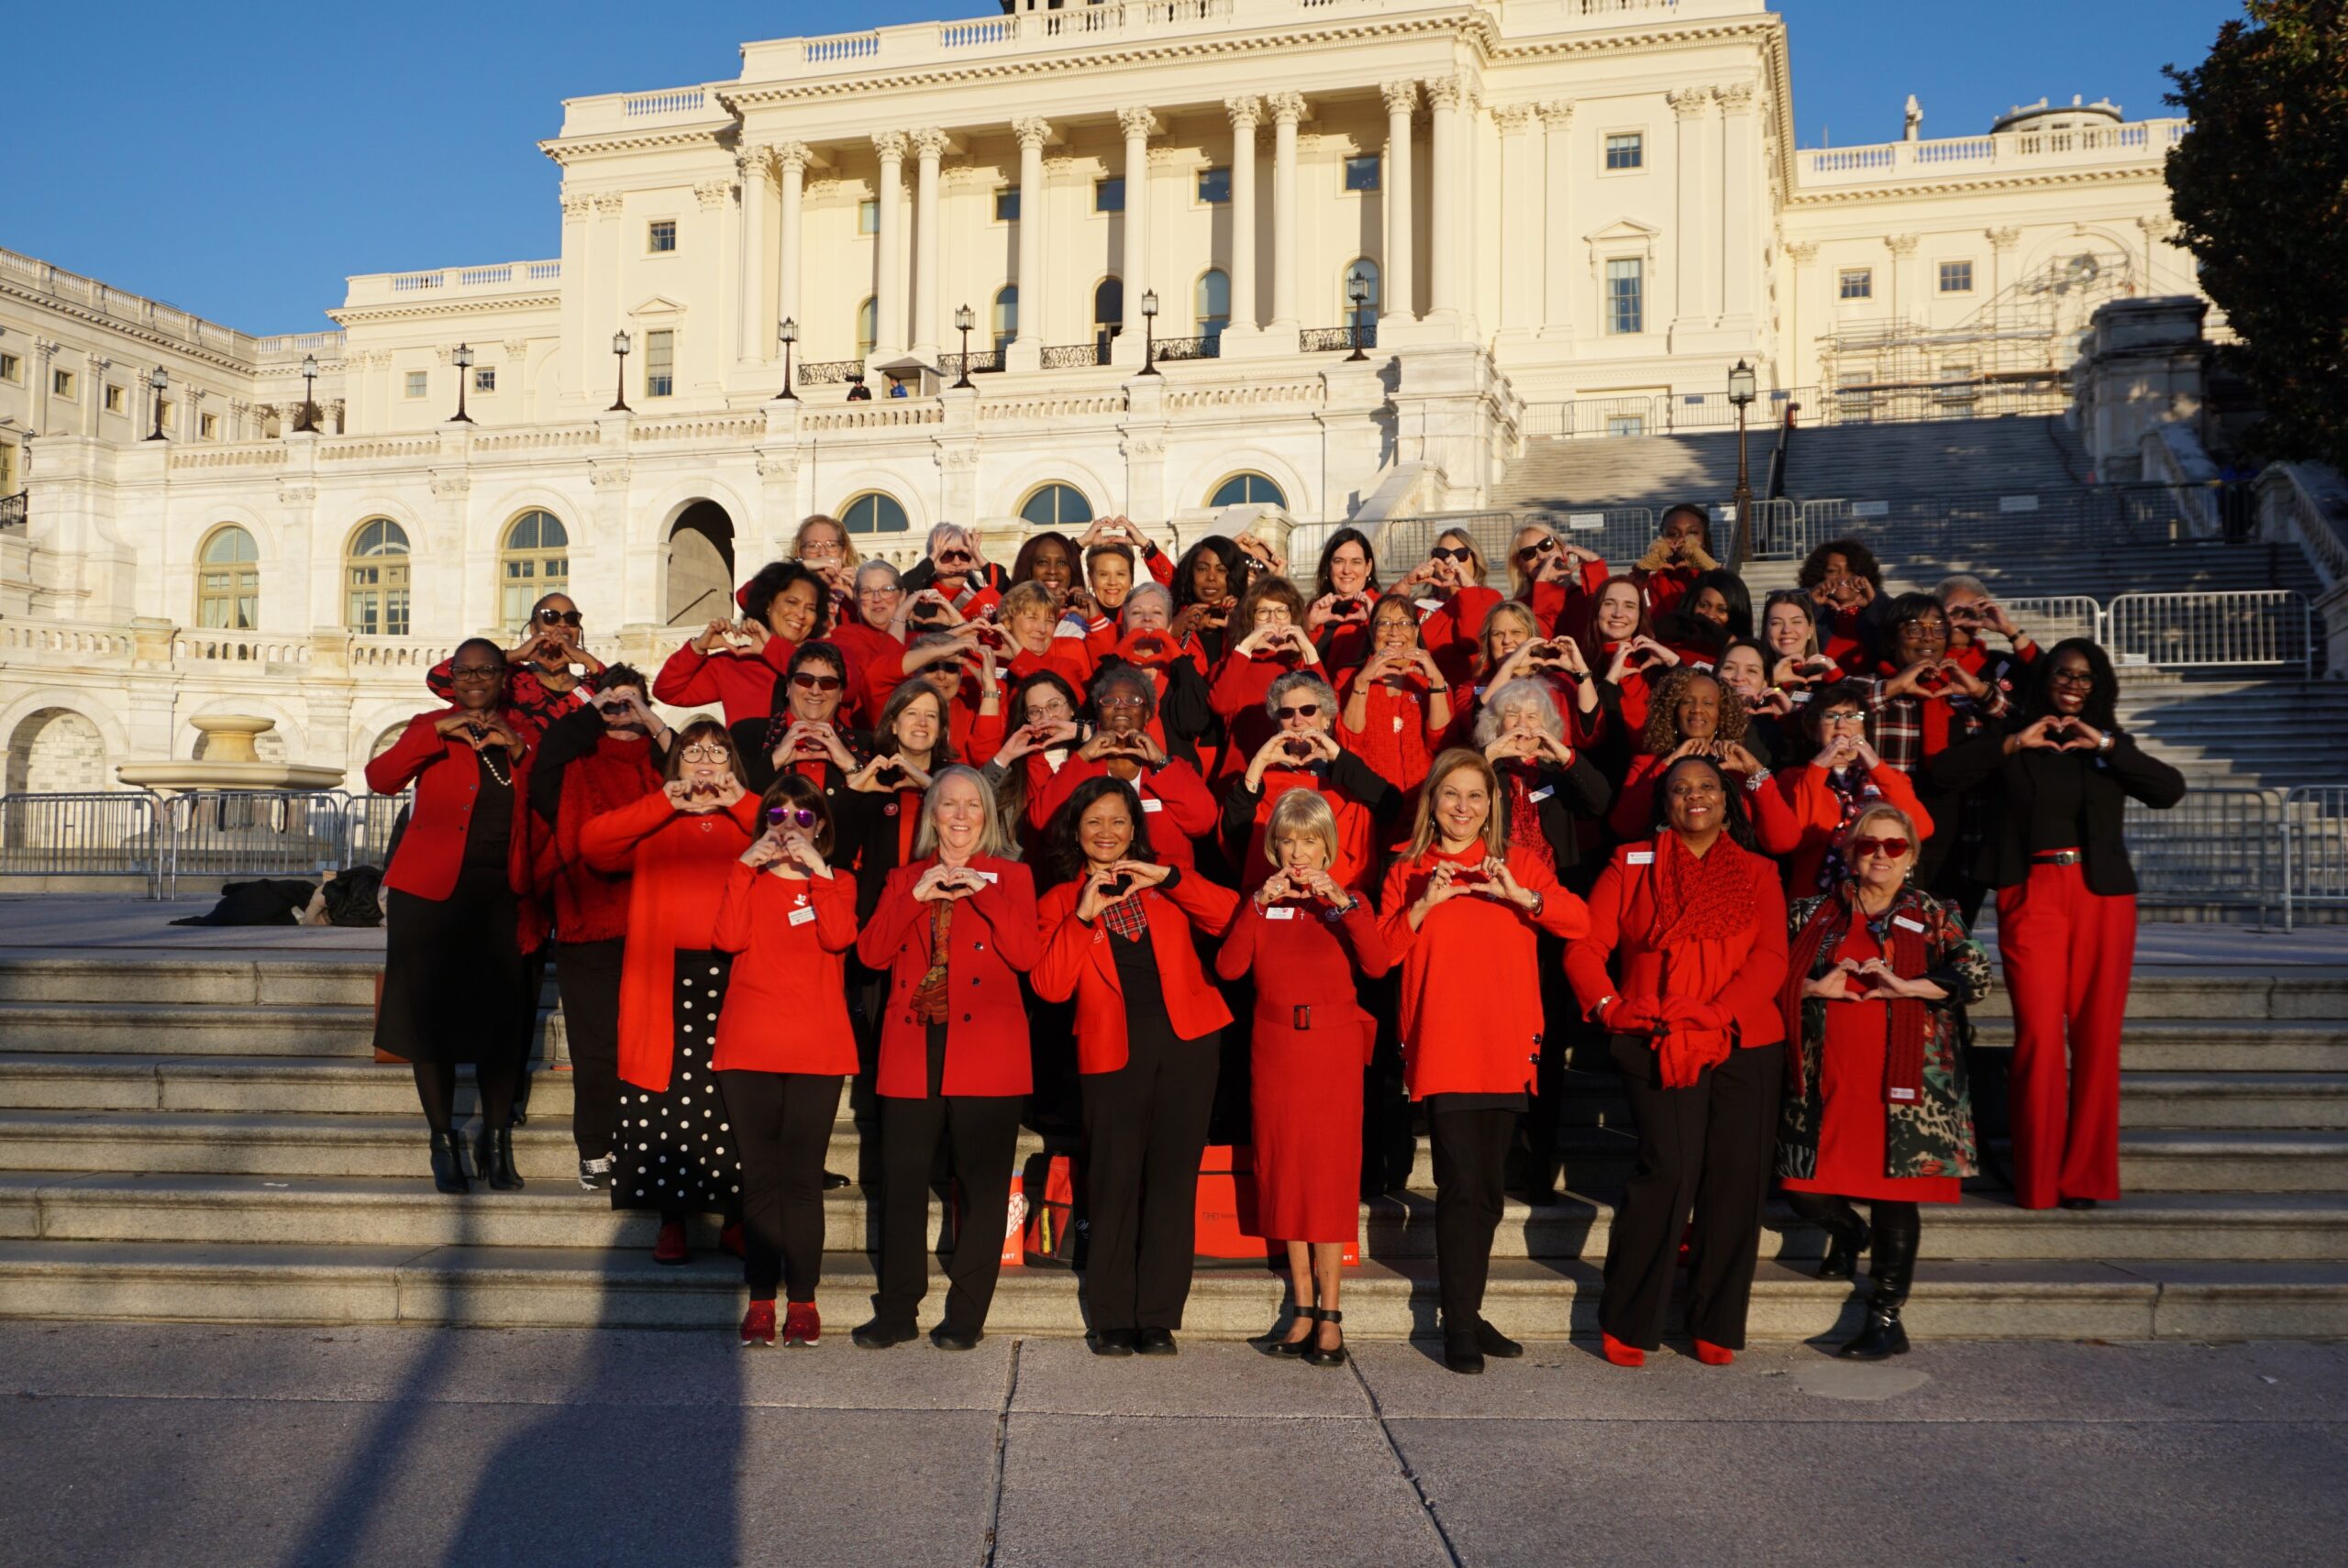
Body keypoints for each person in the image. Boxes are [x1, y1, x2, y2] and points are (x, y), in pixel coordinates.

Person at [1923, 639, 2186, 1212]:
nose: (2073, 683)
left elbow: (2169, 790)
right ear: (2045, 680)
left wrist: (2108, 745)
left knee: (2096, 1039)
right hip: (2033, 894)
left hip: (2103, 900)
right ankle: (2038, 1179)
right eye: (2063, 674)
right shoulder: (2015, 741)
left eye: (2086, 678)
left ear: (2100, 687)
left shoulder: (2108, 747)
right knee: (2040, 1038)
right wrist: (2014, 742)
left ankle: (2086, 1178)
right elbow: (1941, 775)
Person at [1567, 756, 1789, 1368]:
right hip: (1656, 1034)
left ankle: (1716, 1321)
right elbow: (1587, 946)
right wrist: (1610, 1007)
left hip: (1743, 1036)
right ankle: (1630, 1318)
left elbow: (1772, 957)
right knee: (1668, 1172)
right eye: (1681, 788)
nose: (1695, 797)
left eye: (1708, 787)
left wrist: (1719, 1014)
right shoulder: (1631, 861)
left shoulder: (1758, 870)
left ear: (1727, 800)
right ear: (1663, 801)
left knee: (1736, 1181)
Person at [1379, 748, 1589, 1374]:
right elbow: (1380, 955)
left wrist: (1521, 895)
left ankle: (1465, 1310)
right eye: (1451, 795)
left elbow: (1578, 922)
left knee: (1490, 1192)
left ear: (1493, 804)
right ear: (1433, 802)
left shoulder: (1520, 861)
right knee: (1461, 1188)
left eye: (1475, 796)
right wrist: (1423, 905)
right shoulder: (1408, 866)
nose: (1463, 807)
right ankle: (1458, 1328)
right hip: (1444, 1045)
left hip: (1505, 1043)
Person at [1034, 777, 1240, 1355]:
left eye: (1119, 821)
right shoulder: (1059, 900)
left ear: (1135, 829)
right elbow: (1050, 988)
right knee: (1113, 1181)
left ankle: (1158, 1316)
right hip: (1111, 1052)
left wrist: (1170, 877)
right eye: (1095, 821)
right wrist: (1081, 915)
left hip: (1188, 1044)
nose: (1107, 833)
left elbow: (1231, 920)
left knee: (1174, 1182)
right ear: (1077, 830)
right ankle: (1111, 1315)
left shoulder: (1165, 881)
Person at [1778, 805, 1991, 1359]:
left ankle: (1887, 1316)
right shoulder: (1810, 912)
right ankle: (1851, 1234)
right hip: (1825, 1080)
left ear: (1912, 858)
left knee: (1896, 1201)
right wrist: (1808, 989)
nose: (1880, 854)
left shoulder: (1937, 913)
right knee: (1804, 1192)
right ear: (1850, 853)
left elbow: (1976, 974)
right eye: (1869, 844)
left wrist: (1909, 984)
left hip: (1908, 1087)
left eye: (1894, 847)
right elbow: (1766, 977)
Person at [853, 767, 1040, 1350]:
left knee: (982, 1187)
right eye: (947, 805)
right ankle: (898, 1308)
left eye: (972, 806)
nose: (960, 816)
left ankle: (966, 1313)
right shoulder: (904, 877)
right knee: (903, 1183)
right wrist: (916, 896)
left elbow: (1026, 953)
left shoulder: (1012, 875)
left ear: (989, 816)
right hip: (913, 1044)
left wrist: (982, 891)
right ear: (931, 816)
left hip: (987, 1049)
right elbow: (872, 953)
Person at [1216, 788, 1394, 1367]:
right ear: (1273, 846)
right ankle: (1299, 1309)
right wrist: (1254, 906)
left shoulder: (1347, 903)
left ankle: (1332, 1316)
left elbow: (1377, 964)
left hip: (1332, 1050)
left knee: (1329, 1175)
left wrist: (1340, 901)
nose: (1298, 852)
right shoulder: (1260, 903)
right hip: (1275, 1051)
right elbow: (1229, 967)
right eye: (1288, 839)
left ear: (1328, 846)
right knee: (1285, 1170)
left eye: (1310, 840)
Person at [580, 719, 759, 1264]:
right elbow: (593, 845)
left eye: (718, 752)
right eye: (692, 752)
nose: (705, 761)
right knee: (665, 1101)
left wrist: (742, 801)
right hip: (666, 978)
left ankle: (736, 1219)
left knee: (735, 1099)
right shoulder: (655, 819)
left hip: (736, 975)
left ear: (733, 764)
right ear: (674, 764)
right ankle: (671, 1222)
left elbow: (802, 837)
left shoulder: (751, 818)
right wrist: (665, 802)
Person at [369, 637, 539, 1193]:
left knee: (500, 1020)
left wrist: (515, 747)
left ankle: (495, 1138)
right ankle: (442, 1139)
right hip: (429, 894)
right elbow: (380, 778)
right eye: (463, 672)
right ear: (451, 678)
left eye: (486, 670)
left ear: (503, 677)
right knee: (430, 1017)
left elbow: (553, 801)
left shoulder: (527, 732)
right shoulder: (428, 726)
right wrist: (434, 732)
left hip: (501, 893)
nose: (473, 680)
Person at [713, 774, 859, 1348]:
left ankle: (803, 1298)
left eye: (804, 818)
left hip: (817, 1046)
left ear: (820, 825)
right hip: (748, 1045)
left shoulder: (837, 881)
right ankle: (759, 1298)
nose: (790, 829)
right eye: (779, 817)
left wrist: (818, 876)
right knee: (759, 1179)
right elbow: (726, 939)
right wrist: (746, 867)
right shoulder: (745, 877)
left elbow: (839, 937)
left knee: (800, 1180)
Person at [528, 664, 670, 1189]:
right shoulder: (572, 764)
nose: (620, 711)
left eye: (631, 702)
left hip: (656, 921)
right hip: (588, 922)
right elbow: (547, 753)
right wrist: (596, 705)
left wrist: (646, 716)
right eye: (611, 702)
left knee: (656, 1043)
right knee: (596, 1047)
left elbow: (687, 764)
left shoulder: (662, 760)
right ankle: (596, 1147)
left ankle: (648, 1141)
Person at [1477, 679, 1612, 1202]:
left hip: (1549, 918)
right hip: (1494, 918)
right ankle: (1497, 1158)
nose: (1524, 726)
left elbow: (1601, 802)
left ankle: (1538, 1162)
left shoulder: (1558, 772)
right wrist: (1490, 754)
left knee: (1547, 1044)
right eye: (1513, 715)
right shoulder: (1481, 767)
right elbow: (1446, 795)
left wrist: (1562, 753)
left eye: (1535, 717)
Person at [1026, 664, 1218, 869]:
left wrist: (1161, 762)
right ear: (1098, 714)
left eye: (1133, 700)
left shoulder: (1170, 767)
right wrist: (1082, 757)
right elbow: (1042, 820)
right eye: (1109, 701)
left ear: (1147, 715)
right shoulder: (1080, 768)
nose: (1121, 706)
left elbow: (1203, 822)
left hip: (1162, 894)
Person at [1767, 683, 1936, 895]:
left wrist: (1876, 766)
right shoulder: (1793, 778)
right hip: (1814, 899)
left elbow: (1920, 829)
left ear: (1865, 729)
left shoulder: (1889, 779)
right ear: (1813, 731)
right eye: (1830, 716)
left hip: (1879, 897)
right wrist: (1817, 769)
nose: (1841, 725)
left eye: (1852, 716)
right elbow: (1800, 838)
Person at [656, 561, 833, 728]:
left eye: (810, 608)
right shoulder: (735, 662)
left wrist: (772, 648)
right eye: (791, 602)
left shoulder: (830, 657)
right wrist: (698, 647)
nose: (801, 614)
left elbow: (844, 687)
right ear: (768, 604)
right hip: (749, 760)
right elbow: (667, 691)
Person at [1207, 575, 1319, 781]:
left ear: (1293, 616)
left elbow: (1329, 712)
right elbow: (1220, 705)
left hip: (1294, 778)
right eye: (1263, 612)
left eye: (1281, 611)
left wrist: (1308, 651)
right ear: (1250, 619)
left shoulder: (1302, 664)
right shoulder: (1233, 664)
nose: (1273, 620)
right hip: (1241, 777)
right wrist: (1246, 647)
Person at [1305, 526, 1382, 668]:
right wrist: (1309, 626)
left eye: (1356, 562)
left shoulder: (1382, 607)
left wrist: (1374, 621)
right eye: (1339, 561)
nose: (1347, 570)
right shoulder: (1314, 608)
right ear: (1329, 565)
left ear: (1368, 567)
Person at [1629, 503, 1718, 620]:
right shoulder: (1653, 581)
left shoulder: (1713, 578)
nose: (1682, 540)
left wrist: (1713, 569)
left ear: (1705, 539)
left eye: (1692, 533)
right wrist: (1640, 571)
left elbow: (1732, 598)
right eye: (1673, 534)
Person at [1168, 535, 1246, 667]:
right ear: (1190, 573)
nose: (1211, 577)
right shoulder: (1172, 619)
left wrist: (1240, 626)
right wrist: (1171, 632)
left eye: (1221, 570)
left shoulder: (1248, 620)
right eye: (1202, 569)